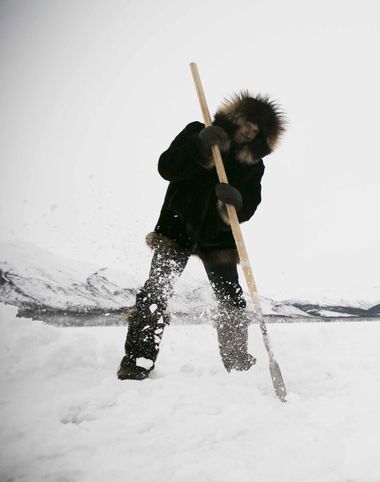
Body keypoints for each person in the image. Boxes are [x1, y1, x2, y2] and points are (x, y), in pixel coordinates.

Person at [117, 91, 286, 380]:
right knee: (156, 292)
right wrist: (200, 149)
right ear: (236, 118)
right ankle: (137, 360)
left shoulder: (253, 165)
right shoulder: (199, 132)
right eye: (247, 123)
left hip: (218, 238)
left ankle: (237, 363)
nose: (248, 132)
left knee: (231, 300)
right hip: (177, 227)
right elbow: (166, 167)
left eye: (255, 131)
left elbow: (249, 206)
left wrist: (235, 202)